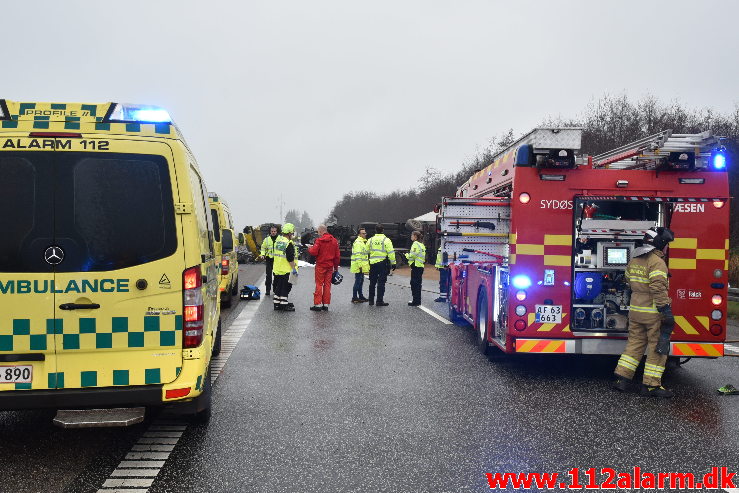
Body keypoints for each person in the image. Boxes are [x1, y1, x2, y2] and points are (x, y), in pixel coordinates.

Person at [613, 227, 675, 397]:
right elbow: (657, 288)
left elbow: (627, 280)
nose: (667, 248)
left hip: (635, 312)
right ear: (659, 244)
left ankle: (622, 379)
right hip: (653, 313)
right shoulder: (657, 262)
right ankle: (651, 385)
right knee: (657, 348)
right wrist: (665, 310)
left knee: (634, 345)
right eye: (666, 244)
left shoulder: (634, 260)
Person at [307, 224, 340, 311]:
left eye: (318, 232)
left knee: (319, 284)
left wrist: (310, 248)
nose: (318, 233)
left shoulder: (319, 241)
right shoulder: (334, 241)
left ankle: (317, 304)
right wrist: (336, 268)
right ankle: (326, 304)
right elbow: (337, 256)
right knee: (327, 285)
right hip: (330, 267)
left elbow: (314, 252)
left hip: (321, 266)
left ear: (321, 231)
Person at [367, 223, 396, 306]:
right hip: (382, 263)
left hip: (372, 263)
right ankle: (379, 301)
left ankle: (371, 301)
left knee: (372, 282)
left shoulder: (370, 240)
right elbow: (391, 252)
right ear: (383, 230)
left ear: (375, 230)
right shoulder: (386, 240)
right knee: (381, 282)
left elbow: (366, 251)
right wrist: (393, 263)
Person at [272, 223, 298, 311]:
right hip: (286, 269)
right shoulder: (288, 243)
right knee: (285, 287)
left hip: (278, 269)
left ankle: (277, 303)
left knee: (278, 287)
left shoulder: (278, 241)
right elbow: (290, 258)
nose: (292, 235)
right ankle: (283, 304)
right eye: (292, 233)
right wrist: (294, 269)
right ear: (289, 233)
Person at [405, 231, 426, 306]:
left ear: (415, 237)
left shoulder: (415, 244)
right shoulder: (422, 245)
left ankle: (415, 301)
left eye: (412, 235)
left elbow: (413, 255)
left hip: (416, 266)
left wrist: (407, 255)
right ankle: (417, 300)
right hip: (420, 266)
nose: (411, 236)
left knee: (414, 284)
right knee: (418, 284)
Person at [258, 225, 279, 296]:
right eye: (272, 231)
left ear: (277, 231)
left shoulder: (280, 240)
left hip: (277, 260)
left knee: (277, 276)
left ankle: (276, 289)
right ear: (270, 232)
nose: (273, 232)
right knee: (268, 276)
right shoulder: (266, 240)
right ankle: (268, 290)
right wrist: (262, 254)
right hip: (269, 259)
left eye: (274, 231)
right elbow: (263, 248)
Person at [350, 228, 370, 303]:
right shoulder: (358, 243)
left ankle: (360, 296)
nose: (365, 234)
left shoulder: (362, 242)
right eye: (363, 233)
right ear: (359, 234)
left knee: (361, 281)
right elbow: (358, 255)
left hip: (361, 266)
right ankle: (354, 297)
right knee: (358, 282)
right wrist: (360, 266)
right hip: (359, 266)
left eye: (365, 233)